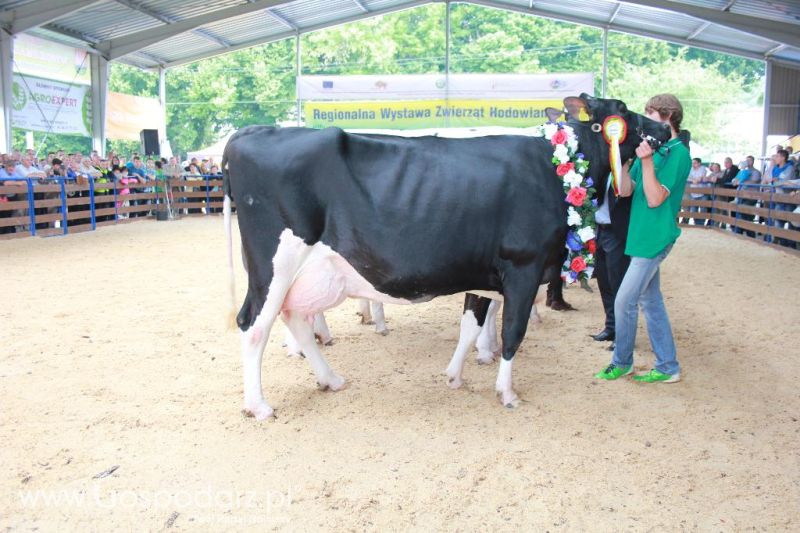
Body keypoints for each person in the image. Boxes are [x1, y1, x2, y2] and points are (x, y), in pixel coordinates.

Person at [595, 93, 692, 383]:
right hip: (640, 236)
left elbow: (655, 198)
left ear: (668, 116)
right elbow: (626, 190)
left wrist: (647, 162)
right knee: (651, 302)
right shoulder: (652, 149)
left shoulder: (678, 153)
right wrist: (622, 162)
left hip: (654, 238)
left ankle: (622, 361)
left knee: (624, 301)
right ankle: (668, 366)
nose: (645, 120)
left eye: (651, 114)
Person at [589, 170, 631, 351]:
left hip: (616, 233)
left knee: (618, 284)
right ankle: (611, 327)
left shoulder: (625, 172)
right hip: (600, 231)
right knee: (604, 282)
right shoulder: (603, 172)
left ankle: (622, 334)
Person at [731, 156, 761, 237]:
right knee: (741, 212)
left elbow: (754, 181)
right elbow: (734, 179)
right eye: (746, 160)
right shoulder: (742, 171)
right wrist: (736, 181)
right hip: (741, 195)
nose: (747, 162)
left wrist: (740, 182)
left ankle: (748, 233)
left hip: (751, 196)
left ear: (753, 161)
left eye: (749, 160)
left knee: (746, 213)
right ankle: (740, 231)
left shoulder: (756, 172)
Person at [686, 157, 708, 225]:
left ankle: (701, 223)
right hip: (693, 193)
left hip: (702, 192)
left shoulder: (703, 168)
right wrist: (693, 180)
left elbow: (700, 177)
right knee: (693, 210)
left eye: (695, 163)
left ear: (699, 163)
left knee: (703, 208)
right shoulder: (691, 169)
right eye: (692, 163)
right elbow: (687, 177)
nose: (693, 164)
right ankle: (696, 223)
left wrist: (695, 179)